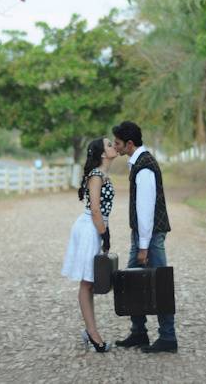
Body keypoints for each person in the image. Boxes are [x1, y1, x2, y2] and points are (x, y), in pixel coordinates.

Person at [112, 121, 178, 354]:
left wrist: (143, 247)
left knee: (160, 284)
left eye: (118, 143)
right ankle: (139, 332)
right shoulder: (139, 163)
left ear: (130, 144)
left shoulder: (145, 167)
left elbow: (146, 210)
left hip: (149, 236)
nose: (115, 147)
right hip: (142, 235)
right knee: (131, 282)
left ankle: (168, 337)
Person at [61, 137, 118, 353]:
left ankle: (90, 330)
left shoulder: (103, 174)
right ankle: (93, 335)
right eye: (109, 144)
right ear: (102, 154)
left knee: (91, 283)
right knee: (87, 283)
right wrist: (105, 234)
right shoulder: (96, 176)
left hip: (96, 227)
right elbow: (95, 209)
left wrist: (104, 232)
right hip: (89, 228)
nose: (113, 146)